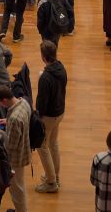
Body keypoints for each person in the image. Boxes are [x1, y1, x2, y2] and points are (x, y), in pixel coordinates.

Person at [35, 41, 67, 194]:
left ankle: (51, 182)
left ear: (43, 56)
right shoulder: (61, 68)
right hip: (59, 112)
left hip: (48, 116)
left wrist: (37, 118)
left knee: (42, 146)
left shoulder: (45, 77)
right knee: (53, 143)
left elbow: (42, 102)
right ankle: (55, 176)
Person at [0, 85, 32, 212]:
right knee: (19, 185)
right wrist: (7, 121)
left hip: (16, 158)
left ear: (4, 100)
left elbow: (10, 145)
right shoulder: (23, 102)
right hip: (24, 150)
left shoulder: (15, 118)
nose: (0, 105)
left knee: (16, 190)